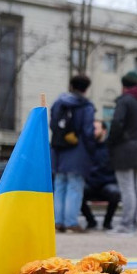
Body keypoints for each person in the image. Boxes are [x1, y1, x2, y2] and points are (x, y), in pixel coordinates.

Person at [50, 75, 95, 233]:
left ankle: (58, 222)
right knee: (74, 187)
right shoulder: (86, 106)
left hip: (58, 150)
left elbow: (52, 125)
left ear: (71, 85)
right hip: (78, 151)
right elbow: (88, 131)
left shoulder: (58, 103)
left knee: (60, 185)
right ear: (86, 88)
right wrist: (90, 150)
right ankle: (71, 222)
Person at [107, 70, 137, 235]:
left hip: (123, 149)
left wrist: (111, 142)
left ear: (123, 85)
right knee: (136, 188)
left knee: (127, 188)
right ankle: (134, 222)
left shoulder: (124, 101)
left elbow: (117, 123)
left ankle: (126, 224)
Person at [81, 120, 120, 230]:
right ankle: (91, 221)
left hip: (107, 183)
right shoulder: (87, 147)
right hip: (91, 183)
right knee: (77, 192)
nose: (93, 131)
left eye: (96, 128)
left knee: (115, 193)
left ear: (104, 131)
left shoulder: (111, 149)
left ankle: (107, 223)